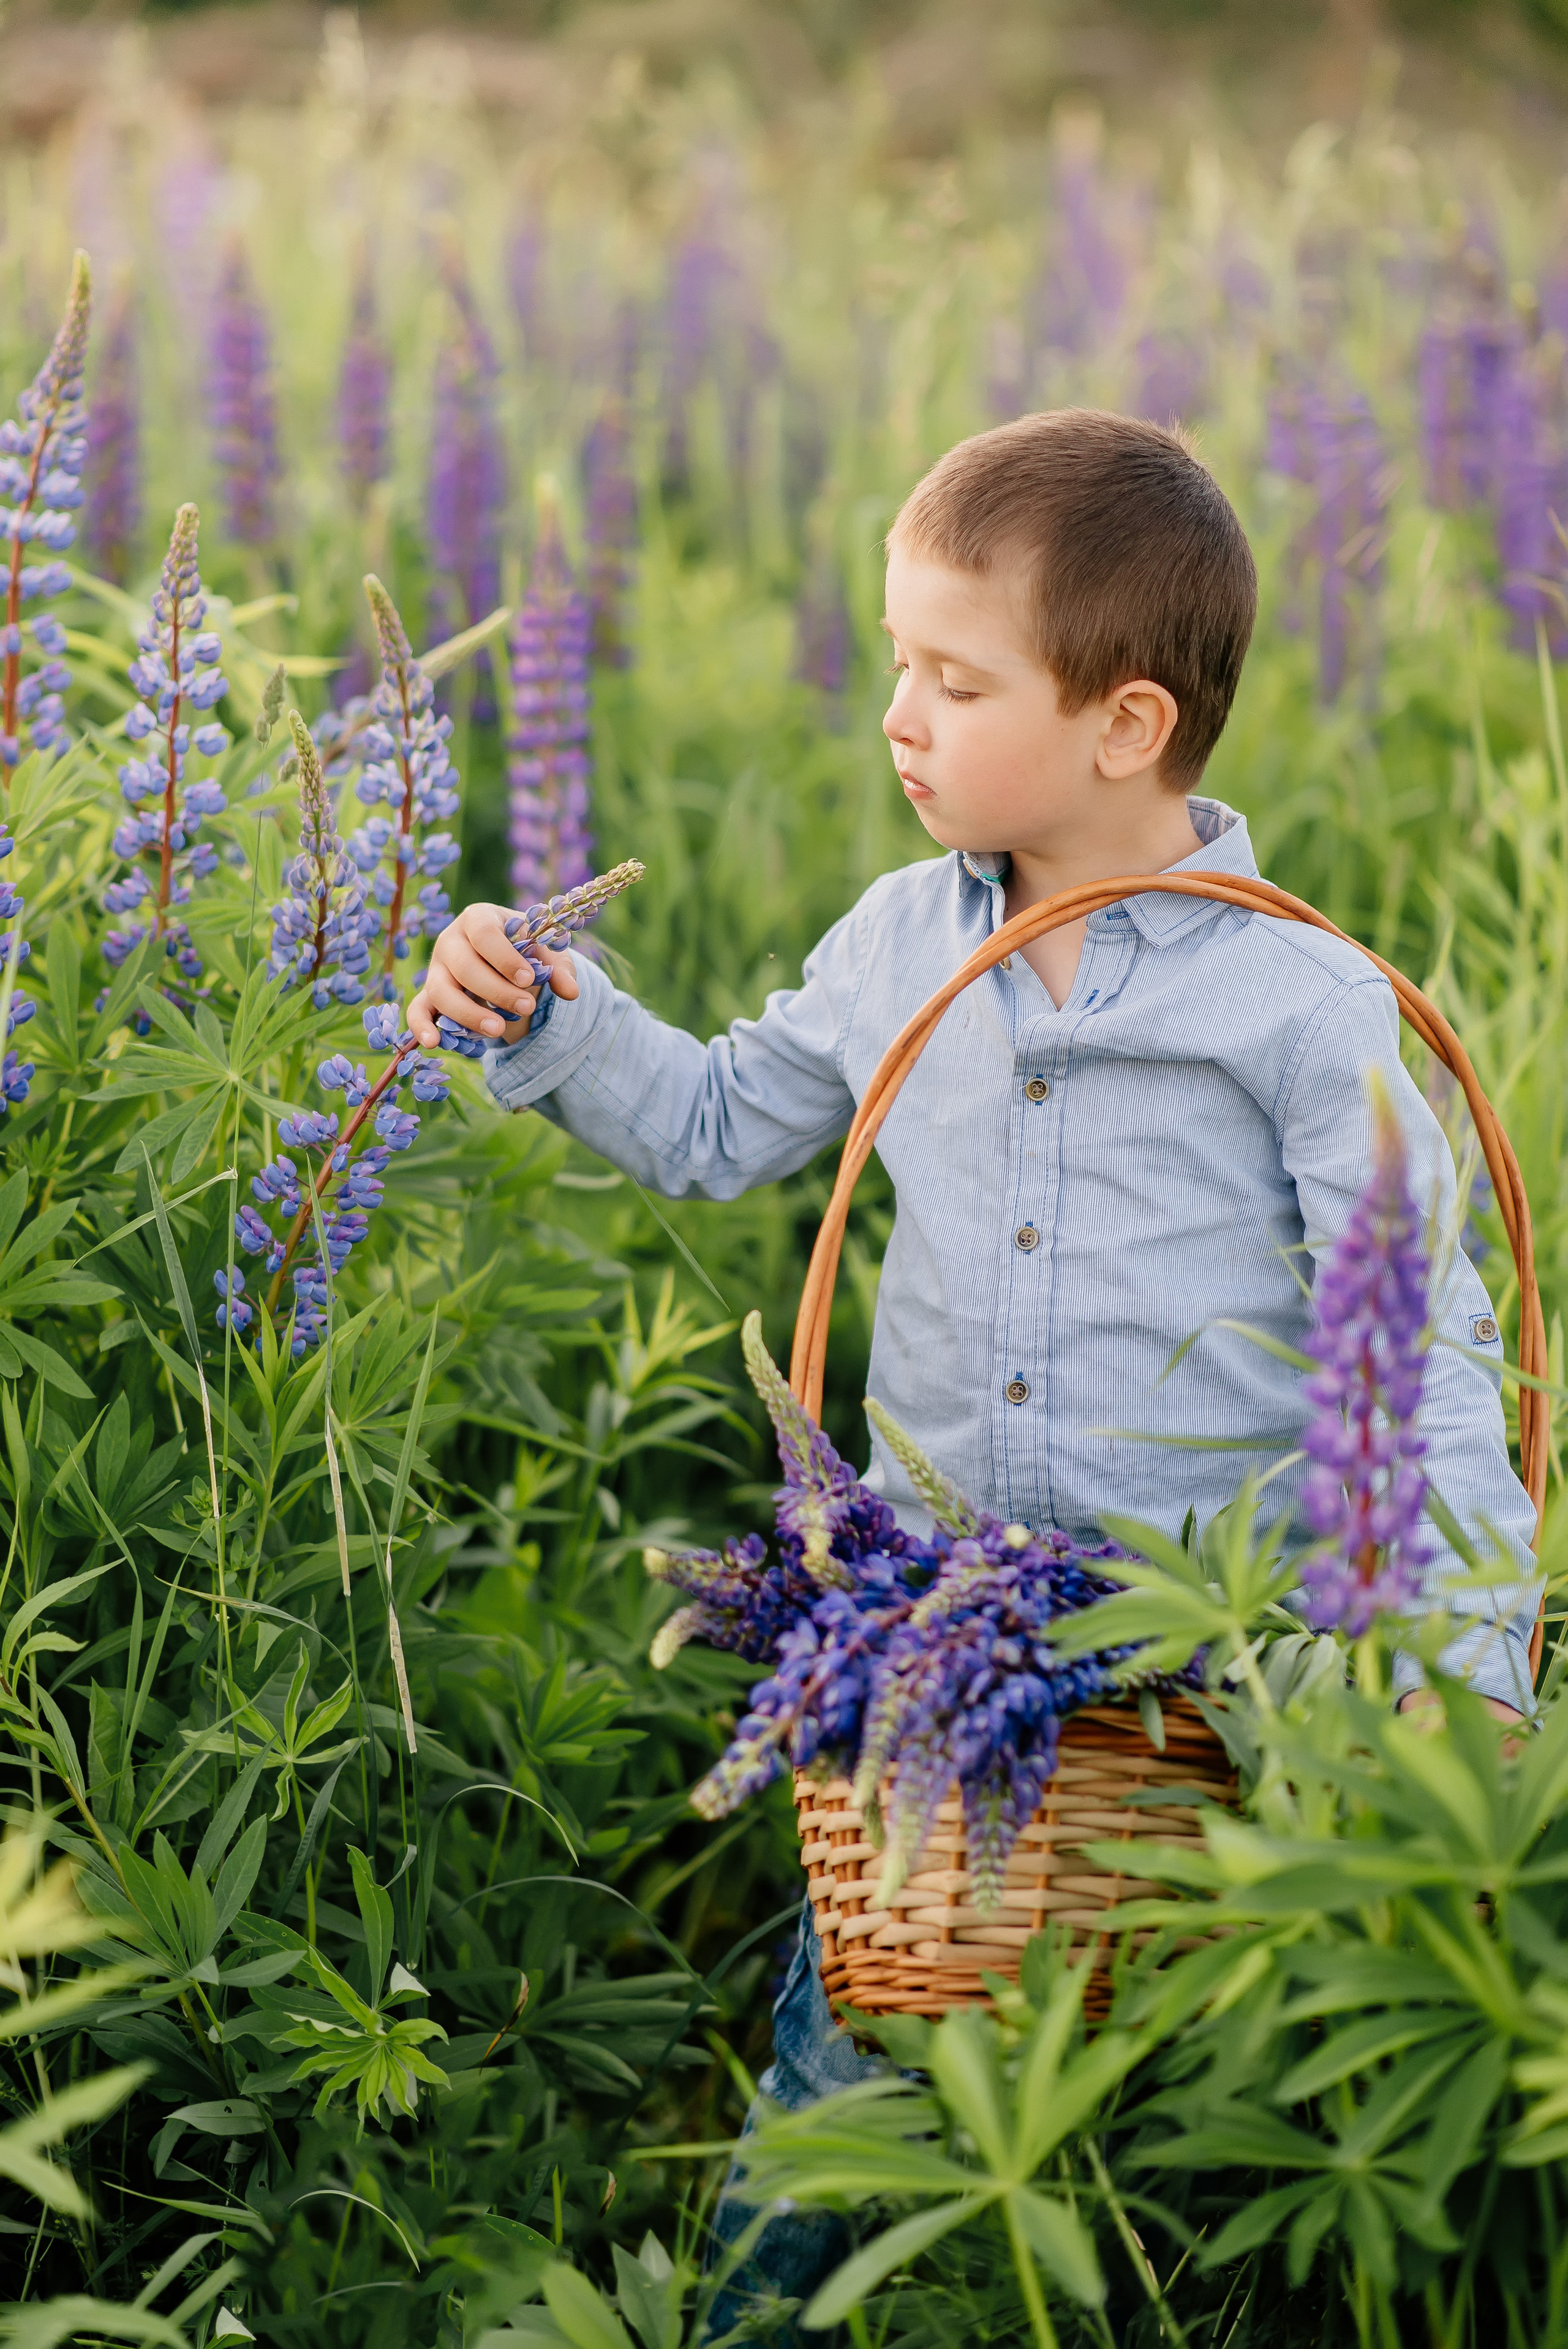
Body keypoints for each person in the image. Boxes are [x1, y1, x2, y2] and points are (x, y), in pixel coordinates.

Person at [409, 407, 1534, 2324]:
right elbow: (709, 1122)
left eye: (953, 676)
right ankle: (754, 2315)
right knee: (858, 2054)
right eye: (896, 667)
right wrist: (547, 1007)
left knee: (1200, 2099)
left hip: (1215, 1657)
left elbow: (1421, 1352)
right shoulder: (890, 944)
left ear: (1127, 724)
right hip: (931, 1640)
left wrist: (1474, 1673)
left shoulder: (1300, 1005)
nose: (898, 717)